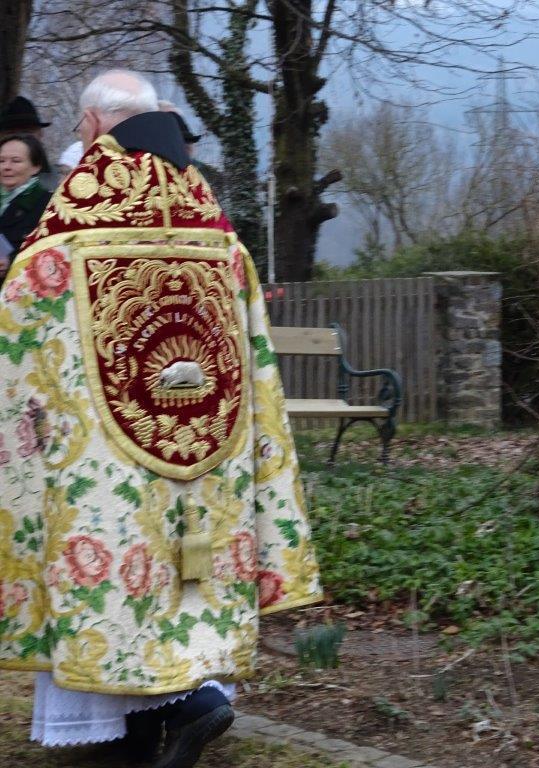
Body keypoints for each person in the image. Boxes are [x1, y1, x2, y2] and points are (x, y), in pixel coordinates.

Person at [0, 70, 321, 768]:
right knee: (186, 584)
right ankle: (171, 712)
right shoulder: (219, 235)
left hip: (102, 459)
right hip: (208, 451)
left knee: (110, 577)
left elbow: (23, 330)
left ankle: (167, 714)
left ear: (92, 126)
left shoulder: (65, 241)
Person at [0, 134, 51, 281]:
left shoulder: (48, 204)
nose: (6, 167)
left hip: (20, 288)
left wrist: (10, 263)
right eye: (1, 161)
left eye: (16, 161)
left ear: (36, 167)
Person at [0, 96, 59, 190]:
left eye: (27, 132)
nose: (20, 139)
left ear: (40, 134)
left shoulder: (62, 180)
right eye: (11, 133)